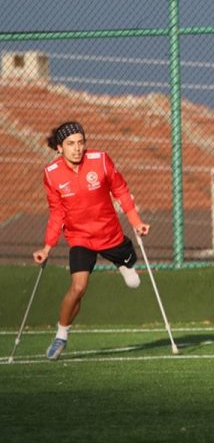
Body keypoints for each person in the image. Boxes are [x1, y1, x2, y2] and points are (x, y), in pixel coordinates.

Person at [33, 121, 149, 361]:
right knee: (78, 287)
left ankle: (124, 263)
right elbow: (57, 213)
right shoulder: (51, 175)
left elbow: (121, 191)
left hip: (110, 234)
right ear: (59, 148)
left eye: (80, 142)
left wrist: (136, 222)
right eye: (70, 144)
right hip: (80, 237)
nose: (77, 148)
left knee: (133, 279)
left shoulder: (101, 160)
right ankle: (61, 335)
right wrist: (47, 247)